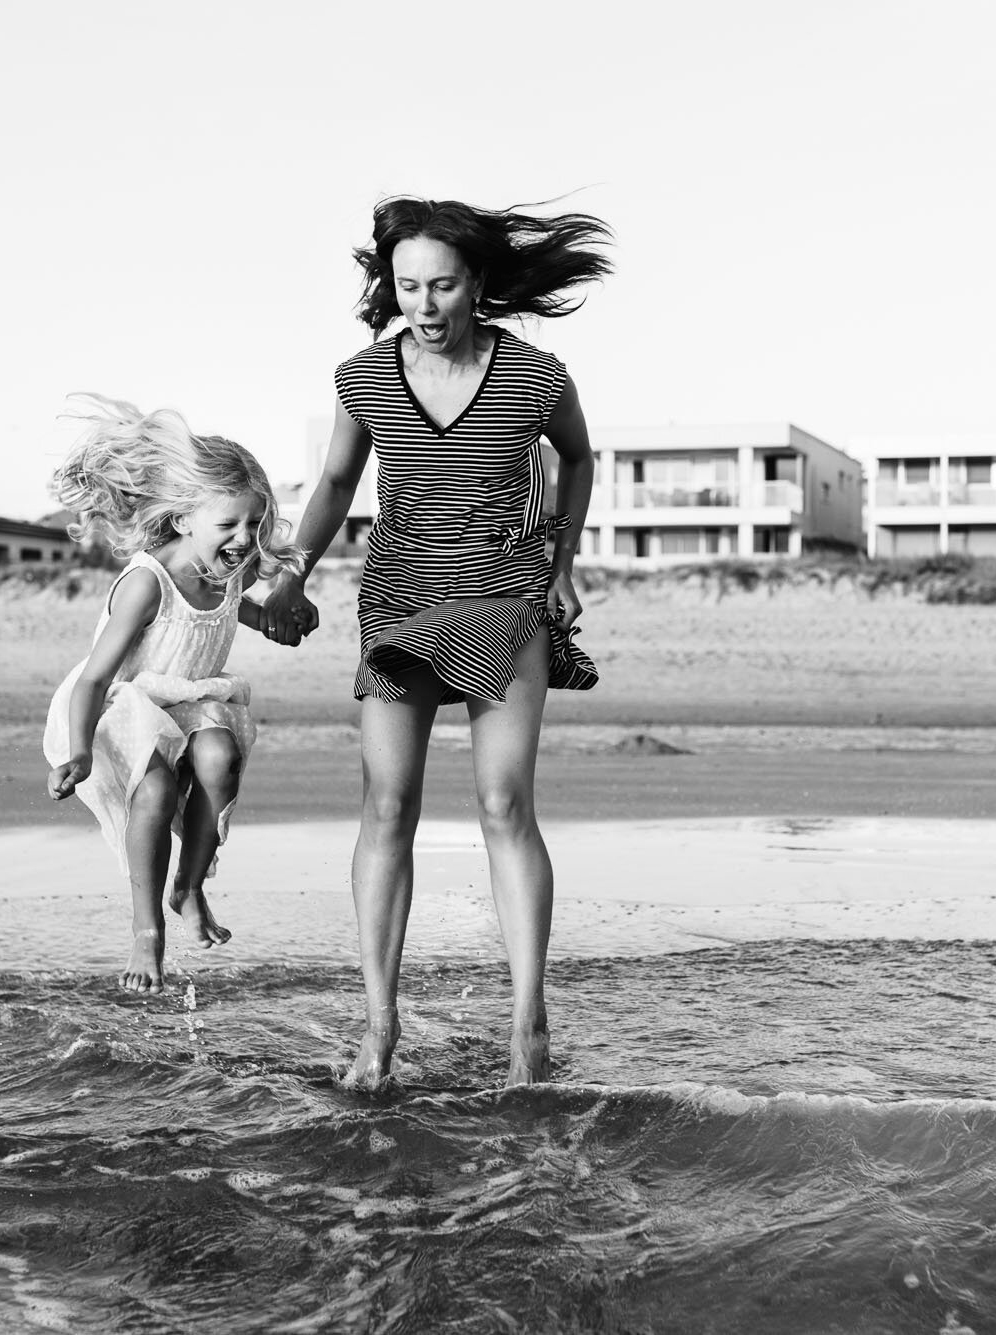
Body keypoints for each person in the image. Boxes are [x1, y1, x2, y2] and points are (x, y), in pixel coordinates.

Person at [258, 197, 609, 1087]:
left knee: (502, 804)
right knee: (387, 806)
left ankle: (528, 1029)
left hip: (502, 596)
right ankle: (379, 1029)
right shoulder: (364, 379)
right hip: (402, 596)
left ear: (477, 285)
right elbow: (337, 480)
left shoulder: (535, 376)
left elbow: (580, 457)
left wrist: (562, 559)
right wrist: (295, 571)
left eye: (442, 284)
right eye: (406, 284)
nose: (422, 302)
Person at [43, 394, 303, 993]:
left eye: (253, 524)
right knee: (155, 791)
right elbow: (93, 678)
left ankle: (189, 886)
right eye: (228, 525)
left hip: (189, 701)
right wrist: (78, 751)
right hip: (123, 706)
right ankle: (146, 929)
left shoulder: (228, 571)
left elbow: (230, 612)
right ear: (184, 519)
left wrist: (276, 619)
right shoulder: (147, 582)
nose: (243, 539)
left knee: (221, 757)